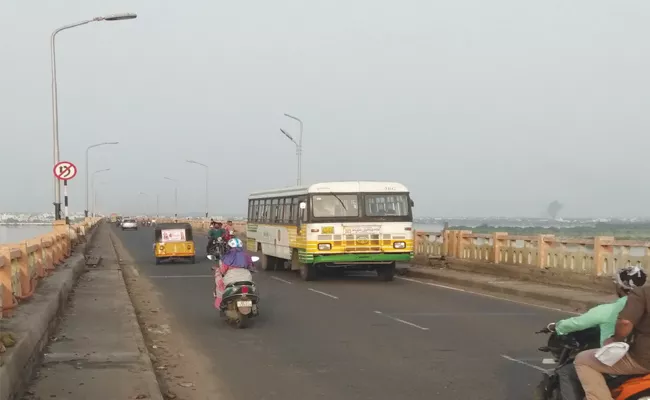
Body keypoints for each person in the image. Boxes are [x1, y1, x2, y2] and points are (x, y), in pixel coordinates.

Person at [547, 266, 647, 400]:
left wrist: (615, 339)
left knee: (582, 361)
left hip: (640, 359)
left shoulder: (620, 304)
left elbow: (578, 323)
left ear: (619, 286)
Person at [213, 237, 254, 309]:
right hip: (247, 278)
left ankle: (220, 302)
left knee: (219, 285)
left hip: (231, 279)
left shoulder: (226, 256)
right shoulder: (246, 255)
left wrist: (218, 271)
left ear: (229, 246)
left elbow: (222, 271)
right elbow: (251, 266)